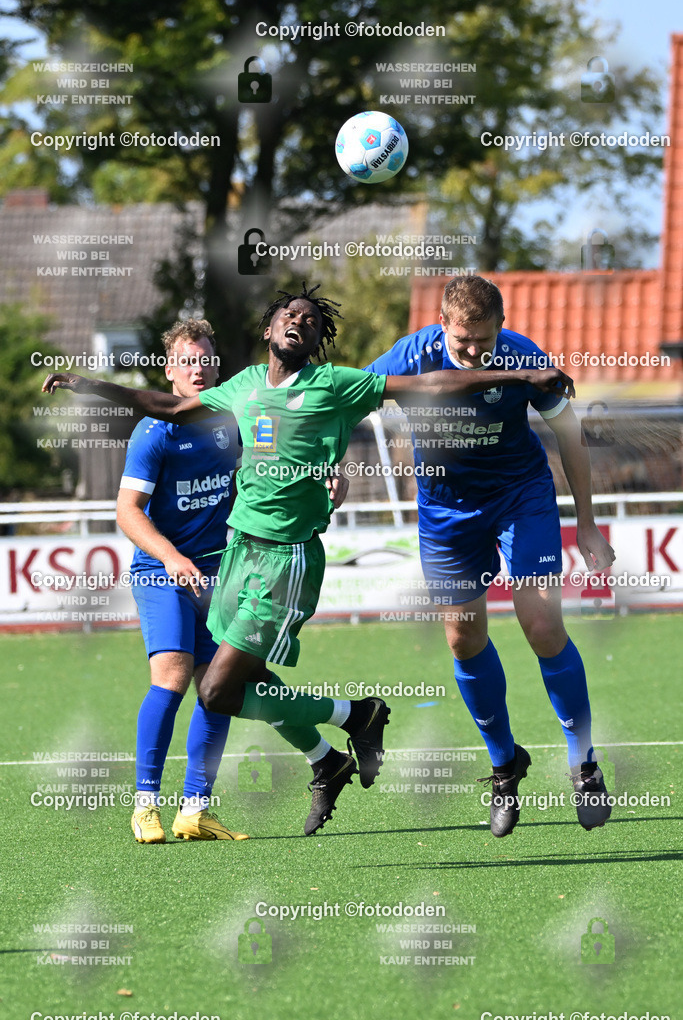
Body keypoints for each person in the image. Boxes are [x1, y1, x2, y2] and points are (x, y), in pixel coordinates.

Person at [43, 283, 574, 837]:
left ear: (318, 340)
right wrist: (88, 385)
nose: (299, 319)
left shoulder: (335, 385)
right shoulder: (243, 388)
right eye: (289, 313)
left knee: (216, 689)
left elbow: (430, 383)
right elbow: (168, 405)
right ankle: (346, 729)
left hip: (284, 561)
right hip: (238, 556)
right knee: (232, 685)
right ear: (269, 329)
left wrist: (522, 376)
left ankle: (342, 726)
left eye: (312, 319)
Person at [364, 275, 614, 837]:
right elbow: (346, 400)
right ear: (442, 324)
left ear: (501, 324)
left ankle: (584, 764)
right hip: (446, 510)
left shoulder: (525, 356)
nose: (476, 352)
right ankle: (505, 765)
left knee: (543, 624)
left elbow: (569, 432)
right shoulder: (410, 354)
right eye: (463, 343)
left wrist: (588, 523)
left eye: (485, 340)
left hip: (519, 496)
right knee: (462, 637)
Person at [118, 318, 245, 843]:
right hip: (162, 571)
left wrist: (328, 474)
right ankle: (145, 803)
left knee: (217, 689)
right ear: (170, 371)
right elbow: (127, 512)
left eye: (205, 360)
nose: (197, 368)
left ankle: (195, 809)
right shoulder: (155, 430)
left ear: (216, 366)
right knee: (171, 676)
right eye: (187, 361)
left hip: (221, 573)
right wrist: (170, 557)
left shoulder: (235, 418)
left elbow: (284, 461)